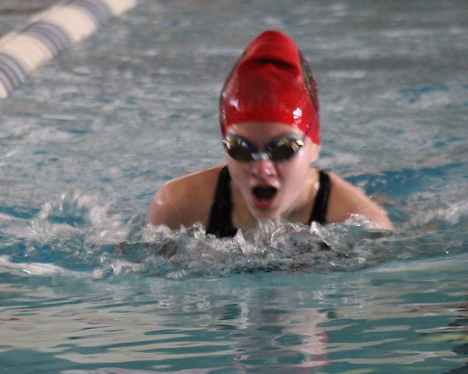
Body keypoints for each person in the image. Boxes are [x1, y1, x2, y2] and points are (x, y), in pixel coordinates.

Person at [147, 30, 393, 238]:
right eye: (241, 148)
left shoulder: (359, 223)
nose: (262, 168)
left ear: (314, 146)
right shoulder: (178, 207)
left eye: (284, 148)